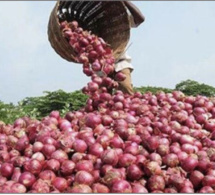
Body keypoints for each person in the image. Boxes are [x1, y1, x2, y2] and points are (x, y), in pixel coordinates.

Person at [115, 1, 145, 95]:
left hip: (119, 63)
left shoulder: (118, 18)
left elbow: (139, 19)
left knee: (126, 91)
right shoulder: (91, 24)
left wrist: (125, 1)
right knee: (99, 99)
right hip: (101, 67)